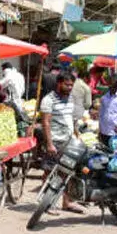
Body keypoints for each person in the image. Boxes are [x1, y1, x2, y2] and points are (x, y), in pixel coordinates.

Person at [40, 72, 83, 214]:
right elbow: (46, 123)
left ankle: (67, 203)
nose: (70, 87)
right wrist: (49, 144)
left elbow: (71, 119)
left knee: (69, 173)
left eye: (71, 84)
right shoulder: (48, 99)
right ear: (59, 83)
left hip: (69, 141)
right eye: (67, 84)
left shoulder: (70, 98)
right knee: (49, 172)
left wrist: (77, 135)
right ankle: (46, 204)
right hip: (55, 142)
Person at [100, 76, 117, 146]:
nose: (112, 86)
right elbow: (101, 114)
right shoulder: (104, 97)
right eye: (110, 84)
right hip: (105, 131)